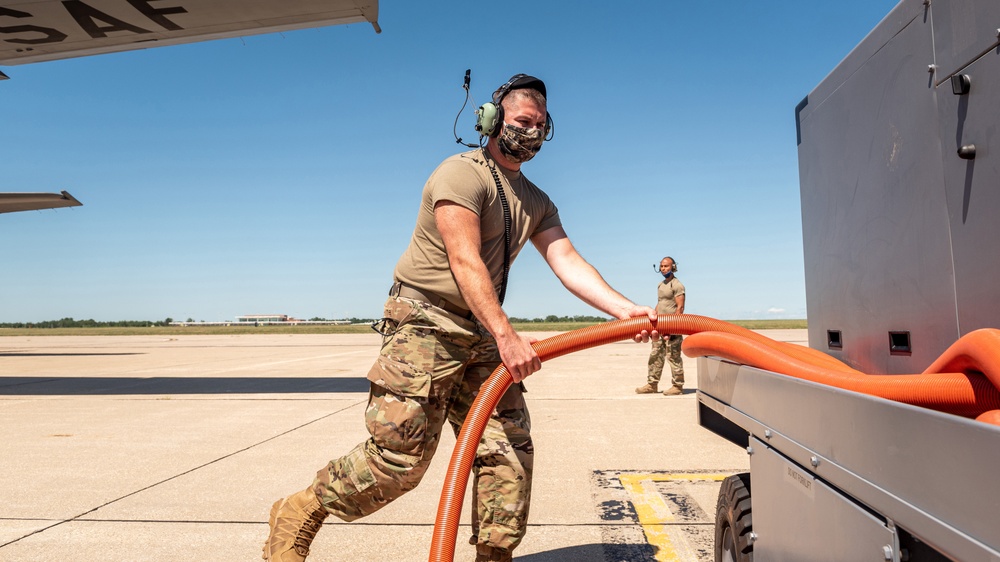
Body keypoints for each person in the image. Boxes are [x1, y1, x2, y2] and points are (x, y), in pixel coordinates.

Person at [262, 74, 659, 562]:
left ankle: (494, 555)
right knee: (398, 461)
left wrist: (626, 310)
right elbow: (464, 259)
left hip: (479, 330)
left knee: (508, 452)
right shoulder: (460, 173)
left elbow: (568, 260)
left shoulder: (536, 200)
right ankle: (302, 510)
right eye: (521, 121)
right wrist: (507, 335)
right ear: (492, 121)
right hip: (425, 325)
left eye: (540, 124)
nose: (531, 132)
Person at [637, 256, 686, 396]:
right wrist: (653, 318)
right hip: (659, 327)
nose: (663, 268)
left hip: (672, 329)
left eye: (666, 266)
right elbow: (660, 303)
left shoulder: (677, 285)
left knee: (673, 357)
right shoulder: (661, 285)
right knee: (655, 355)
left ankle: (677, 386)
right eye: (662, 266)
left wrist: (674, 327)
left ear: (673, 267)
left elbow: (680, 307)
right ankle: (652, 384)